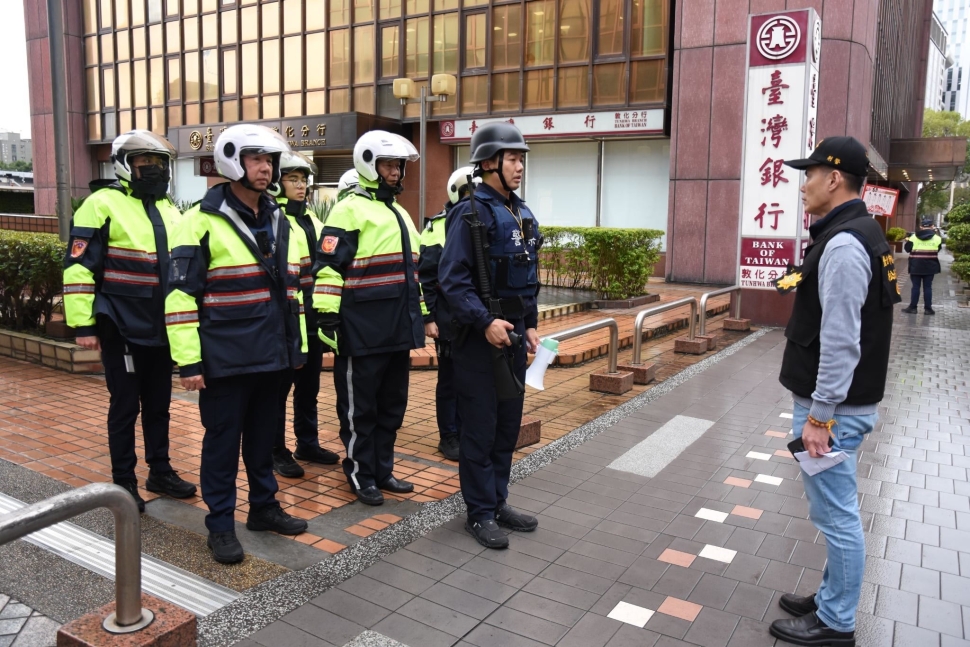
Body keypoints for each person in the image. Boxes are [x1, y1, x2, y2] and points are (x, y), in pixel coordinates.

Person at [770, 136, 900, 645]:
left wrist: (820, 416)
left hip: (836, 411)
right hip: (842, 406)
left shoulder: (845, 245)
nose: (802, 185)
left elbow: (842, 343)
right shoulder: (855, 233)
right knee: (832, 509)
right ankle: (830, 599)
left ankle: (836, 621)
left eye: (809, 175)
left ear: (833, 178)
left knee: (838, 515)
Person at [165, 124, 309, 564]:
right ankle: (221, 525)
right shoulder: (198, 222)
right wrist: (188, 363)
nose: (265, 168)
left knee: (264, 439)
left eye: (269, 160)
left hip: (273, 356)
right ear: (232, 162)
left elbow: (295, 290)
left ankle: (263, 508)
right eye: (255, 159)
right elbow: (179, 297)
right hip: (224, 359)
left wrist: (296, 349)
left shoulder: (282, 218)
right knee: (223, 445)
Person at [63, 130, 197, 512]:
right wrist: (83, 325)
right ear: (125, 165)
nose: (153, 170)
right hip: (120, 324)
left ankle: (161, 470)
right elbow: (78, 266)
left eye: (159, 164)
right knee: (125, 406)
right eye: (144, 163)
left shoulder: (171, 209)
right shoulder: (101, 204)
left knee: (159, 404)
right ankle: (124, 482)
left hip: (161, 328)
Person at [439, 122, 541, 549]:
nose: (519, 166)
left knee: (506, 426)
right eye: (512, 158)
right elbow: (453, 282)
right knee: (480, 429)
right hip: (480, 340)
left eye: (521, 158)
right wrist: (485, 322)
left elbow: (528, 276)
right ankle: (478, 513)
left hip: (514, 336)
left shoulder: (522, 212)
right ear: (489, 163)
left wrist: (531, 323)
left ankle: (497, 501)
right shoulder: (470, 213)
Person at [312, 130, 427, 506]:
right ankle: (361, 475)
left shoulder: (399, 213)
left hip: (396, 329)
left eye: (398, 166)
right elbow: (328, 268)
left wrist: (423, 317)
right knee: (359, 410)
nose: (396, 172)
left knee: (391, 408)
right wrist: (327, 319)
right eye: (390, 165)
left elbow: (413, 274)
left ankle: (383, 469)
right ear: (368, 165)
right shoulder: (348, 209)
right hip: (360, 331)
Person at [270, 152, 341, 478]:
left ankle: (306, 442)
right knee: (279, 390)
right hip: (285, 322)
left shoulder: (311, 219)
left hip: (311, 320)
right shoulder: (273, 219)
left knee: (309, 387)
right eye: (292, 179)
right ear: (277, 182)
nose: (300, 186)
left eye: (303, 180)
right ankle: (276, 450)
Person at [418, 166, 477, 461]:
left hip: (475, 316)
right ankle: (448, 435)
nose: (474, 199)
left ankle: (467, 430)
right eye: (469, 193)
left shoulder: (486, 220)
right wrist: (428, 318)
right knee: (450, 378)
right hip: (448, 318)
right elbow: (426, 277)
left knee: (473, 377)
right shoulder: (436, 227)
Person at [902, 217, 943, 315]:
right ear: (932, 226)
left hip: (915, 266)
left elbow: (907, 249)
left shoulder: (913, 237)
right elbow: (938, 250)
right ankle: (928, 309)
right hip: (930, 266)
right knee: (928, 287)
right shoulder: (937, 238)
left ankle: (913, 308)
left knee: (915, 287)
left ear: (921, 227)